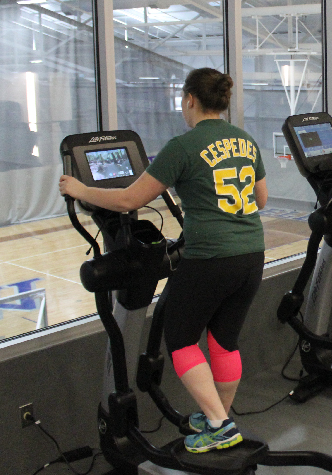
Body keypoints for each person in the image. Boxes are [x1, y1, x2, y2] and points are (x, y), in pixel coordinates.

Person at [59, 68, 265, 453]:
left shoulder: (183, 146)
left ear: (189, 99)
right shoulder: (245, 140)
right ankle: (221, 413)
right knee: (224, 341)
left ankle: (219, 425)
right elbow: (261, 199)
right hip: (251, 254)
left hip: (209, 258)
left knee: (182, 339)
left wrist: (80, 188)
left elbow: (127, 200)